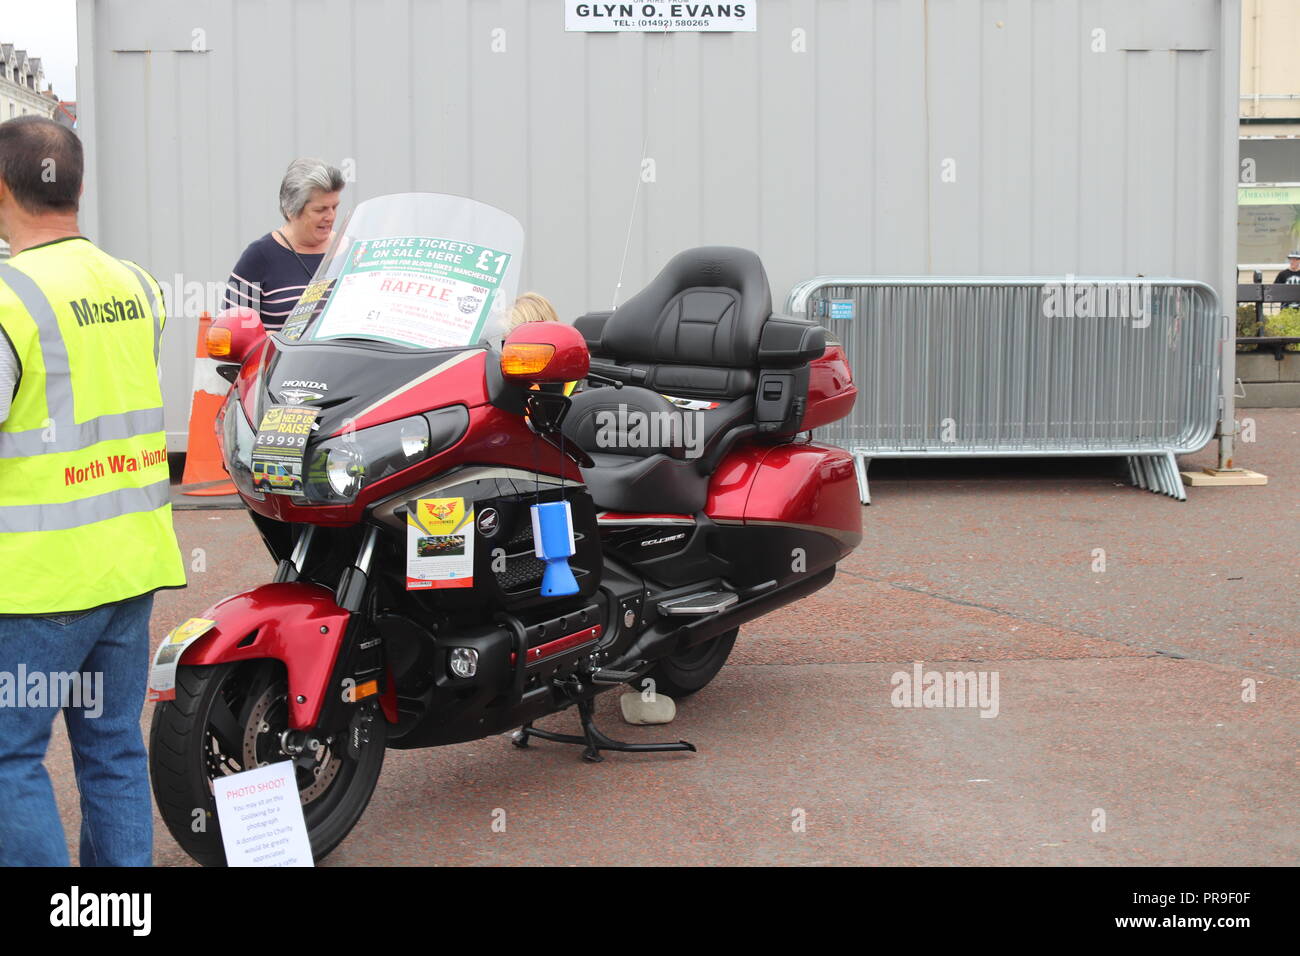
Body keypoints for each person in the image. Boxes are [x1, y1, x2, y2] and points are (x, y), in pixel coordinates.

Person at [0, 116, 185, 866]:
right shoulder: (136, 285)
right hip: (130, 561)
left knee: (9, 758)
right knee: (110, 749)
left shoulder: (10, 300)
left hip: (40, 580)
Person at [224, 158, 344, 330]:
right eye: (320, 210)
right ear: (291, 210)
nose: (331, 216)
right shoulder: (259, 257)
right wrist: (268, 342)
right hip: (281, 358)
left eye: (335, 207)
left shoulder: (354, 252)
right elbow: (232, 330)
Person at [507, 292, 577, 396]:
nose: (509, 353)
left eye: (515, 345)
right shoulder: (507, 383)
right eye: (506, 343)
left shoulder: (576, 385)